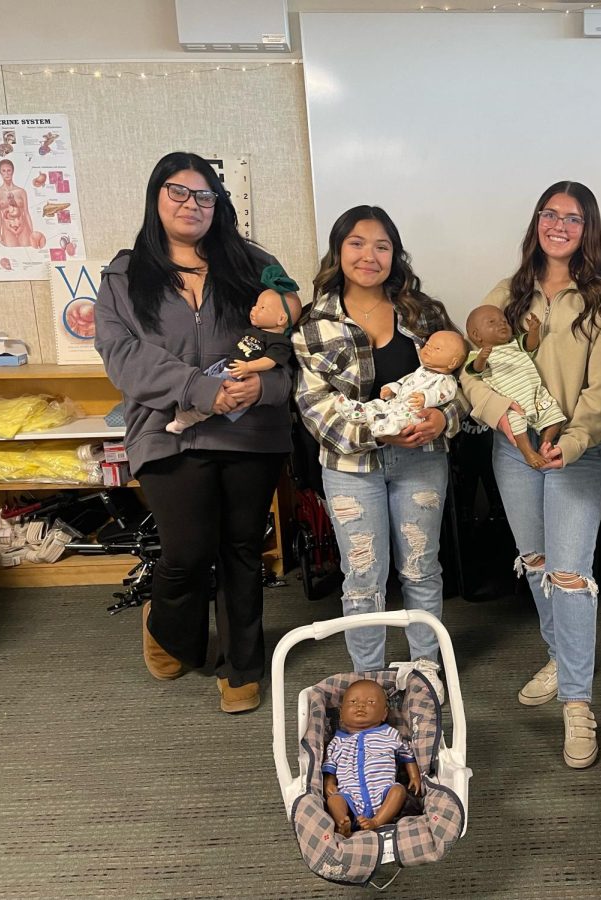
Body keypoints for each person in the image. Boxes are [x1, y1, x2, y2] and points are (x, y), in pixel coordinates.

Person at [95, 151, 296, 714]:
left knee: (241, 550)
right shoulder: (125, 274)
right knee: (187, 549)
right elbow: (121, 356)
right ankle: (169, 628)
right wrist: (199, 389)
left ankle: (242, 665)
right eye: (178, 192)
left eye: (204, 195)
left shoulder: (257, 266)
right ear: (156, 198)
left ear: (219, 204)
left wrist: (266, 388)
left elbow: (290, 348)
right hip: (167, 430)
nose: (191, 204)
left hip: (251, 431)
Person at [460, 181, 601, 769]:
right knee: (534, 561)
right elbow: (470, 371)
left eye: (573, 218)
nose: (559, 225)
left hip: (575, 453)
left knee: (570, 573)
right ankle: (561, 656)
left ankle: (578, 703)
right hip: (513, 450)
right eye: (549, 214)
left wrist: (574, 438)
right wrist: (503, 418)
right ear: (536, 222)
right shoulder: (507, 294)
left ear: (588, 229)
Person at [294, 205, 467, 690]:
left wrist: (443, 420)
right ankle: (367, 677)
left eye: (382, 246)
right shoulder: (314, 324)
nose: (369, 255)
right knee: (363, 576)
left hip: (421, 460)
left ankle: (425, 671)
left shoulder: (423, 312)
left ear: (395, 254)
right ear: (339, 250)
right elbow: (313, 406)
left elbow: (462, 384)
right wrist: (376, 433)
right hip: (351, 466)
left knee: (420, 567)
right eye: (357, 243)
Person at [166, 267, 302, 434]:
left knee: (216, 401)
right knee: (205, 385)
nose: (253, 309)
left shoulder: (279, 342)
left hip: (240, 376)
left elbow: (270, 361)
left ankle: (186, 420)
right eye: (255, 305)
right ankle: (186, 407)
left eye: (262, 308)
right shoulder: (256, 331)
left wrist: (249, 368)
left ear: (281, 318)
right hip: (227, 366)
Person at [464, 304, 565, 469]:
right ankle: (528, 452)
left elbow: (531, 346)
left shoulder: (515, 343)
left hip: (535, 394)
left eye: (504, 321)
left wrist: (533, 331)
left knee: (555, 415)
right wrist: (482, 358)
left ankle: (545, 443)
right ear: (476, 335)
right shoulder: (476, 355)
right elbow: (477, 370)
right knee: (515, 424)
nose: (502, 324)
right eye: (492, 322)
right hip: (513, 403)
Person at [323, 679, 422, 837]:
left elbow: (407, 753)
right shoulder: (337, 742)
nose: (361, 705)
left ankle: (376, 821)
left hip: (383, 793)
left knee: (398, 790)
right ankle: (343, 822)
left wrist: (415, 775)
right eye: (353, 701)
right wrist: (329, 782)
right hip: (350, 796)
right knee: (334, 800)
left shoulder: (390, 734)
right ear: (341, 714)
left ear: (384, 714)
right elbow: (330, 764)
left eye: (370, 702)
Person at [335, 330, 466, 438]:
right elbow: (404, 382)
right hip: (397, 403)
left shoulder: (447, 380)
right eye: (427, 345)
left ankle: (384, 427)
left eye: (437, 348)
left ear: (453, 363)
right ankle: (357, 411)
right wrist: (392, 388)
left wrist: (426, 398)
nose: (429, 348)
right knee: (379, 405)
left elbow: (445, 394)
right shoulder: (420, 370)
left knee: (400, 419)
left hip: (415, 412)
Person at [0, 159, 41, 249]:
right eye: (3, 171)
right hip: (7, 229)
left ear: (13, 171)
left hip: (23, 228)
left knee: (27, 250)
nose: (6, 174)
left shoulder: (21, 192)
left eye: (9, 171)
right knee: (12, 253)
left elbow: (26, 212)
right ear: (0, 172)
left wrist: (32, 232)